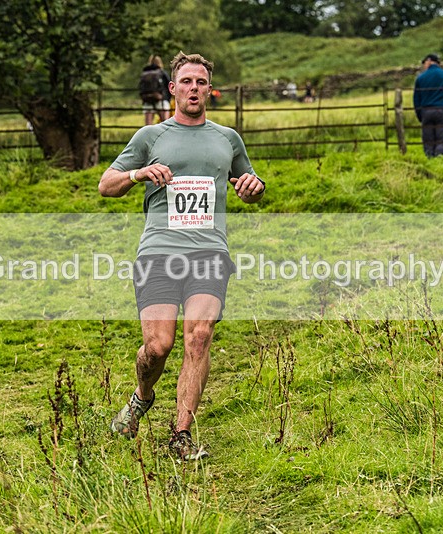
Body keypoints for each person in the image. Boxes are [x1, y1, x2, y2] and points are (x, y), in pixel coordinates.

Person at [99, 52, 265, 461]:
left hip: (210, 250)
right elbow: (106, 185)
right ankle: (140, 398)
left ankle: (181, 435)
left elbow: (250, 181)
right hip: (159, 251)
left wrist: (252, 187)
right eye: (186, 81)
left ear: (211, 90)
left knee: (200, 336)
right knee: (158, 346)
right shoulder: (150, 137)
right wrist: (138, 174)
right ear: (172, 89)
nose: (194, 88)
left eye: (201, 82)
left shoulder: (228, 138)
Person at [413, 53, 443, 158]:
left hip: (426, 112)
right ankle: (440, 160)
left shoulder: (420, 78)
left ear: (428, 61)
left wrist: (420, 114)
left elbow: (416, 99)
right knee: (442, 140)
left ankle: (430, 161)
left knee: (428, 140)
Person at [139, 55, 172, 125]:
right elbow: (169, 86)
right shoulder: (162, 72)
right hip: (161, 100)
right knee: (165, 125)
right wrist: (168, 99)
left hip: (147, 100)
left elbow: (140, 87)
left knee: (148, 126)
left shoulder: (145, 73)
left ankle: (149, 136)